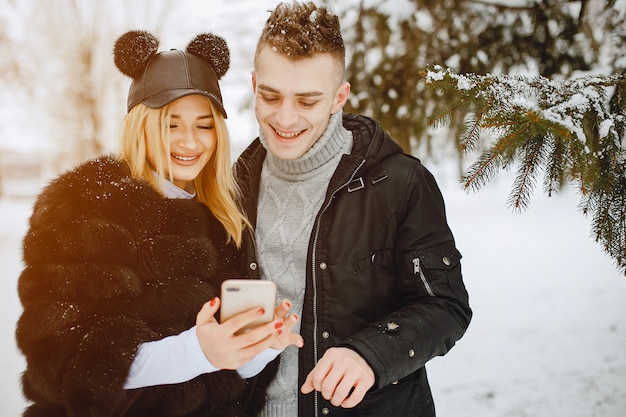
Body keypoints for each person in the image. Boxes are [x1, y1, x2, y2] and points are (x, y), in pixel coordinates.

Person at [15, 30, 302, 417]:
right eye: (171, 124)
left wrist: (260, 346)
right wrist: (197, 350)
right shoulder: (83, 205)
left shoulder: (221, 219)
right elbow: (65, 362)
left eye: (204, 125)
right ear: (141, 125)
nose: (190, 141)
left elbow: (219, 374)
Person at [234, 2, 473, 416]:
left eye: (307, 101)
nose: (285, 118)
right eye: (270, 96)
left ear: (338, 98)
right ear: (254, 84)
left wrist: (369, 354)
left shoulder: (401, 184)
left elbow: (445, 306)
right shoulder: (234, 185)